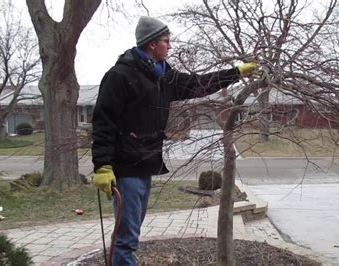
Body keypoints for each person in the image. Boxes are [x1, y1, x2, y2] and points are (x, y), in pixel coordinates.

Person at [91, 16, 258, 265]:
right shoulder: (121, 75)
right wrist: (103, 166)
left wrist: (235, 73)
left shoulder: (162, 75)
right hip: (126, 169)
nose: (170, 46)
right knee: (126, 239)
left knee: (131, 234)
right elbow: (103, 121)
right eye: (166, 41)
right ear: (151, 44)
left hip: (144, 164)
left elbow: (198, 84)